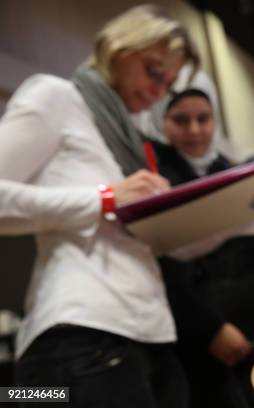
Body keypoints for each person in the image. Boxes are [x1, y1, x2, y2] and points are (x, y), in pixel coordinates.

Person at [0, 6, 199, 407]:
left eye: (170, 84)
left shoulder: (128, 138)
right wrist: (105, 198)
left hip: (151, 332)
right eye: (155, 71)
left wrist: (248, 212)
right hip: (80, 335)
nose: (159, 91)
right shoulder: (55, 96)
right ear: (121, 49)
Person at [145, 67, 254, 408]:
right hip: (197, 348)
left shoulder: (237, 174)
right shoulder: (152, 181)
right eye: (181, 120)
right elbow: (159, 266)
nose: (194, 131)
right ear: (160, 122)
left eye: (204, 119)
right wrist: (209, 329)